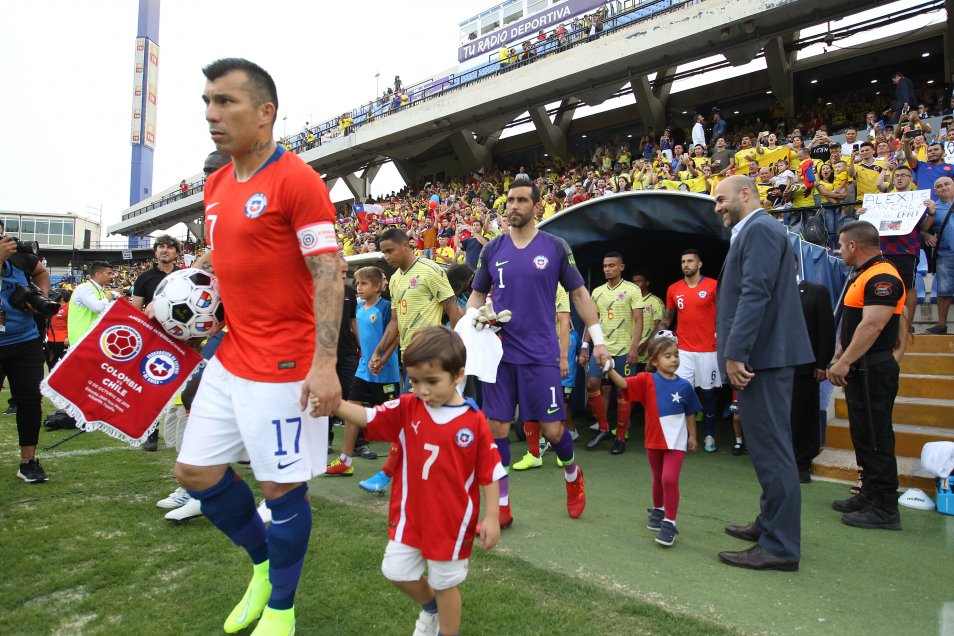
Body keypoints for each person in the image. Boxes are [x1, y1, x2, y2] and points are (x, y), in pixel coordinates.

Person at [173, 58, 343, 636]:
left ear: (265, 113)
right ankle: (267, 566)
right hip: (231, 354)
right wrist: (186, 293)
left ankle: (282, 609)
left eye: (225, 102)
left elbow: (328, 272)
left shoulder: (297, 180)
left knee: (281, 488)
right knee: (194, 471)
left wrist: (324, 364)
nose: (211, 115)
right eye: (207, 102)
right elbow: (233, 261)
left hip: (287, 364)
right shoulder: (216, 183)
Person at [330, 327, 502, 636]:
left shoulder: (473, 421)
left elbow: (489, 473)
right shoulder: (409, 407)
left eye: (432, 381)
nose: (422, 389)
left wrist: (491, 516)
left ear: (459, 375)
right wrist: (336, 405)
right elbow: (370, 417)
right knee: (394, 570)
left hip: (451, 523)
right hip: (410, 517)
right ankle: (430, 607)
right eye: (415, 380)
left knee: (445, 583)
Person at [468, 178, 610, 527]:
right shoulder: (492, 250)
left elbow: (579, 295)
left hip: (540, 354)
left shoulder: (556, 247)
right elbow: (476, 296)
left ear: (536, 206)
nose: (513, 206)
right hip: (499, 355)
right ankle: (501, 503)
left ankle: (573, 474)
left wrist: (599, 340)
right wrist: (474, 320)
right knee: (496, 426)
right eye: (509, 201)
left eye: (520, 200)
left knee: (552, 430)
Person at [713, 175, 813, 572]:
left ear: (745, 194)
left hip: (763, 357)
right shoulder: (755, 230)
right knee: (769, 446)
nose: (717, 206)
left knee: (772, 450)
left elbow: (756, 292)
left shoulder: (761, 229)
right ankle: (770, 525)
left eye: (721, 199)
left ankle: (781, 546)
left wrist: (736, 352)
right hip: (766, 355)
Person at [365, 227, 462, 494]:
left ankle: (387, 474)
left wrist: (457, 353)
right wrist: (380, 352)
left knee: (409, 416)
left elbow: (453, 312)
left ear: (406, 245)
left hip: (432, 355)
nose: (386, 256)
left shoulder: (431, 271)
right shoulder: (395, 280)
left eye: (390, 251)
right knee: (427, 421)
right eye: (383, 252)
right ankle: (445, 473)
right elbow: (395, 322)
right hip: (408, 356)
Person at [828, 221, 905, 531]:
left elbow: (872, 326)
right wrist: (839, 354)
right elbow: (853, 322)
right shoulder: (865, 273)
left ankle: (886, 507)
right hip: (862, 367)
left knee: (877, 437)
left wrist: (844, 362)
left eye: (842, 244)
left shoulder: (883, 276)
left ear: (853, 246)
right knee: (864, 435)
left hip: (872, 366)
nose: (839, 249)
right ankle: (869, 493)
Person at [607, 332, 700, 547]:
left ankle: (670, 523)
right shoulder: (646, 379)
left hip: (676, 442)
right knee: (658, 477)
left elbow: (691, 412)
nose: (674, 359)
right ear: (654, 362)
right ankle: (659, 509)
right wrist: (609, 369)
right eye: (668, 356)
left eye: (676, 355)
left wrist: (693, 436)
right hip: (653, 440)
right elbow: (623, 383)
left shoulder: (685, 386)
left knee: (669, 479)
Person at [325, 266, 400, 476]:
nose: (358, 288)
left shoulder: (386, 308)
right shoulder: (358, 308)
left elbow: (396, 335)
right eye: (357, 283)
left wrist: (382, 359)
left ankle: (402, 463)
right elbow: (360, 332)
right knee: (352, 410)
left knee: (393, 419)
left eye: (364, 283)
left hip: (385, 372)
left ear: (377, 286)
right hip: (363, 370)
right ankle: (345, 460)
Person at [0, 220, 52, 483]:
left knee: (30, 400)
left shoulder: (19, 257)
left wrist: (40, 294)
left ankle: (28, 461)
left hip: (25, 341)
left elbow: (41, 272)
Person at [579, 252, 643, 454]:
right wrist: (584, 346)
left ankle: (620, 437)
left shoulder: (632, 290)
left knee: (622, 391)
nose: (607, 269)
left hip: (624, 348)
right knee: (592, 383)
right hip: (602, 349)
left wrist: (635, 347)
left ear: (621, 267)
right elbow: (591, 321)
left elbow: (639, 320)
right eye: (605, 266)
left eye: (612, 266)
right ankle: (604, 428)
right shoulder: (597, 292)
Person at [657, 250, 721, 452]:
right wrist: (654, 342)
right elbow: (668, 319)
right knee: (680, 391)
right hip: (683, 351)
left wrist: (724, 337)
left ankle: (709, 434)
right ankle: (680, 436)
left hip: (709, 350)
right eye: (683, 261)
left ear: (699, 264)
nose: (686, 264)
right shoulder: (673, 289)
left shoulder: (713, 286)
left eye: (690, 261)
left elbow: (723, 315)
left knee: (708, 394)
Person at [132, 235, 183, 451]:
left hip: (181, 339)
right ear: (155, 252)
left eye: (170, 247)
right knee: (152, 386)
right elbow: (136, 310)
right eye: (161, 246)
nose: (165, 250)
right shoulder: (144, 278)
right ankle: (151, 434)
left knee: (181, 388)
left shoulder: (184, 276)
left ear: (176, 253)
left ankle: (181, 431)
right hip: (154, 339)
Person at [792, 262, 835, 483]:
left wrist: (822, 363)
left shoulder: (816, 291)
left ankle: (802, 463)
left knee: (804, 415)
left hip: (806, 367)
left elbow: (827, 329)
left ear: (795, 264)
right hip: (775, 367)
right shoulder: (767, 294)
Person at [925, 177, 954, 334]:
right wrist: (925, 235)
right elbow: (923, 228)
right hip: (946, 254)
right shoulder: (933, 208)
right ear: (935, 191)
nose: (943, 187)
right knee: (944, 291)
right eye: (939, 186)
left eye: (947, 184)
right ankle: (942, 325)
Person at [67, 261, 118, 345]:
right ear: (98, 274)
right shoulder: (84, 288)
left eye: (112, 274)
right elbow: (97, 308)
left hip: (93, 337)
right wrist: (112, 294)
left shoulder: (100, 291)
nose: (111, 276)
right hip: (81, 338)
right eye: (109, 273)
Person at [45, 289, 70, 370]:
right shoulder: (52, 307)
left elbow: (73, 324)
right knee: (51, 364)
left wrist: (69, 337)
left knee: (66, 365)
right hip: (49, 341)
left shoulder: (70, 308)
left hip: (63, 341)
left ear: (61, 298)